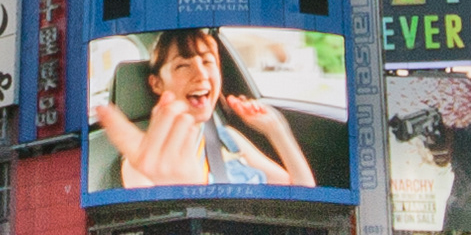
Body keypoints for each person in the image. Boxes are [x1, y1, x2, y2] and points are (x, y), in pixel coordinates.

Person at [94, 26, 314, 189]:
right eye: (183, 65)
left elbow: (303, 201)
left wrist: (278, 131)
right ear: (157, 83)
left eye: (208, 62)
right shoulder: (147, 159)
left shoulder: (229, 139)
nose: (201, 75)